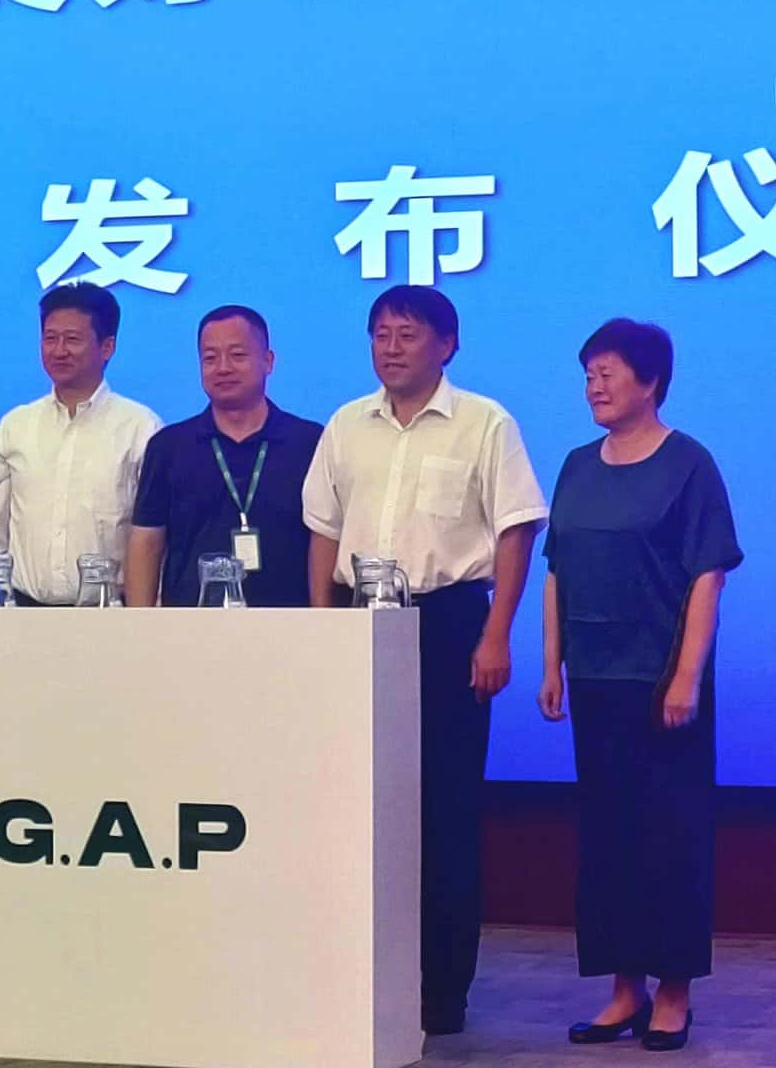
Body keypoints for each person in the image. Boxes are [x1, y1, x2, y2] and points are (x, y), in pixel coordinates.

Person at [302, 285, 547, 1036]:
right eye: (380, 333)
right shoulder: (347, 424)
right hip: (359, 624)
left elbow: (514, 531)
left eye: (407, 334)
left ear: (448, 344)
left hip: (447, 624)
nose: (390, 347)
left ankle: (442, 993)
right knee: (355, 810)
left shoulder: (484, 422)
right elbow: (323, 530)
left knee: (445, 813)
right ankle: (359, 980)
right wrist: (323, 629)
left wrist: (497, 634)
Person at [538, 318, 742, 1053]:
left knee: (670, 837)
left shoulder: (689, 465)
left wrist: (687, 676)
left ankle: (674, 993)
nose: (593, 386)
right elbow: (556, 571)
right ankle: (624, 991)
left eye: (608, 373)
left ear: (650, 381)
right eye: (588, 374)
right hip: (595, 681)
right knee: (608, 839)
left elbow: (708, 576)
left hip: (661, 686)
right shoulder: (575, 465)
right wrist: (552, 663)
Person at [0, 282, 161, 606]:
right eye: (50, 338)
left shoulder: (141, 427)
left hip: (110, 613)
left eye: (72, 339)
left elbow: (153, 539)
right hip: (24, 612)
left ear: (107, 346)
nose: (58, 350)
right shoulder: (16, 425)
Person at [125, 306, 323, 607]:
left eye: (237, 355)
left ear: (268, 361)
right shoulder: (168, 446)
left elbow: (324, 540)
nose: (223, 368)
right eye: (210, 358)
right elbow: (147, 541)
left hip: (288, 623)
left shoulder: (309, 442)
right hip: (191, 624)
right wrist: (139, 623)